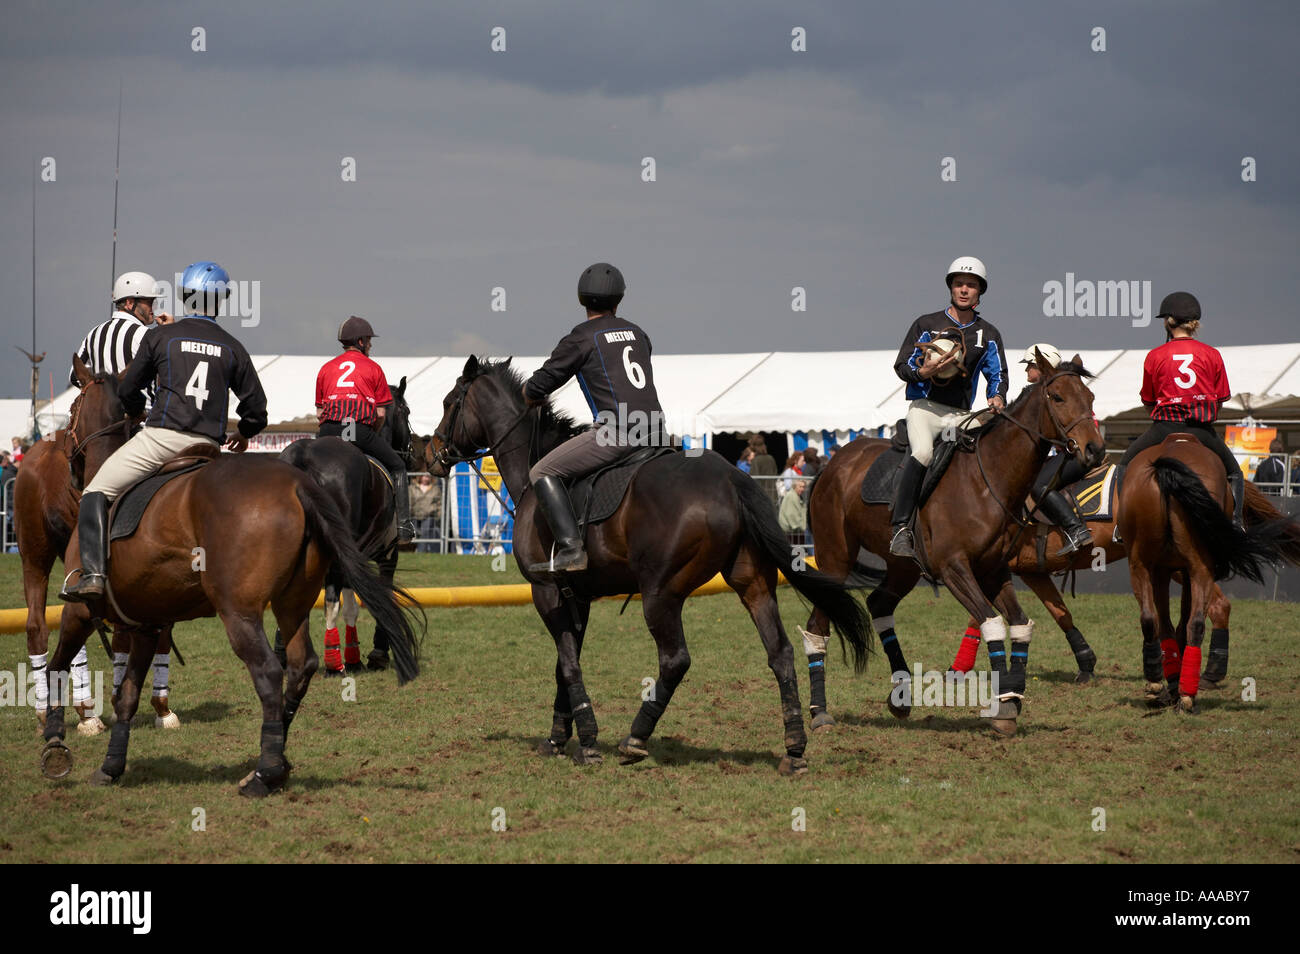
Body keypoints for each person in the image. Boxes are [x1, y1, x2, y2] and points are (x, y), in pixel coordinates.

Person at [60, 261, 268, 602]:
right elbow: (257, 412)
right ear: (222, 301)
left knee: (95, 491)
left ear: (186, 296)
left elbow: (128, 390)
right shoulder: (233, 347)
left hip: (161, 439)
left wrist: (135, 411)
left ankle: (94, 575)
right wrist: (243, 432)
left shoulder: (161, 336)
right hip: (208, 447)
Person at [521, 263, 663, 572]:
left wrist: (529, 394)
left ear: (582, 299)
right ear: (619, 299)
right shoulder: (639, 334)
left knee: (541, 472)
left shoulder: (582, 337)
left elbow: (541, 383)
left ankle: (572, 550)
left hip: (617, 433)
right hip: (658, 433)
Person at [889, 256, 1009, 557]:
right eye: (959, 284)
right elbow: (901, 364)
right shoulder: (926, 323)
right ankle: (901, 529)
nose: (964, 289)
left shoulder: (989, 333)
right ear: (951, 288)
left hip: (962, 415)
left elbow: (998, 373)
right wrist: (923, 373)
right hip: (926, 409)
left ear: (980, 292)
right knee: (923, 453)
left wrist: (997, 397)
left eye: (971, 285)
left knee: (996, 449)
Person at [1120, 292, 1242, 529]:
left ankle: (1122, 525)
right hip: (1202, 430)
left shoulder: (1155, 356)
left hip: (1164, 427)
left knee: (1124, 464)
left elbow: (1148, 400)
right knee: (1235, 472)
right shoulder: (1212, 354)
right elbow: (1220, 399)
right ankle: (1236, 523)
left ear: (1169, 321)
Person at [315, 316, 415, 542]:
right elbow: (380, 413)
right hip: (358, 430)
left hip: (328, 431)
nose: (370, 344)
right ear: (360, 342)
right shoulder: (374, 368)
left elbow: (320, 413)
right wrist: (373, 432)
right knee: (398, 466)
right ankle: (404, 526)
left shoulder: (326, 368)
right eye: (368, 340)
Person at [1019, 343, 1092, 554]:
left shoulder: (1056, 394)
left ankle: (1076, 530)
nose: (1026, 370)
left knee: (1039, 486)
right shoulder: (1050, 392)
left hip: (1079, 454)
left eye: (1030, 365)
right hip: (1073, 452)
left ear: (1043, 366)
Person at [68, 271, 172, 388]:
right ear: (130, 303)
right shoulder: (148, 335)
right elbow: (172, 374)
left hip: (105, 406)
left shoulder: (94, 333)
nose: (154, 307)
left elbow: (74, 376)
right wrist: (169, 332)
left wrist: (102, 390)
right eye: (149, 302)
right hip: (144, 406)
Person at [411, 473, 442, 552]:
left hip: (429, 516)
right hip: (414, 516)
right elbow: (409, 502)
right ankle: (415, 549)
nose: (426, 478)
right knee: (414, 534)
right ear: (420, 477)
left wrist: (438, 516)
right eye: (424, 476)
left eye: (428, 477)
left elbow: (439, 504)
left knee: (426, 532)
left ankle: (421, 551)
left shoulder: (435, 489)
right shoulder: (412, 488)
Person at [748, 435, 779, 506]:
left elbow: (754, 480)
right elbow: (775, 474)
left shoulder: (756, 461)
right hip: (773, 495)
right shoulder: (771, 458)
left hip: (761, 498)